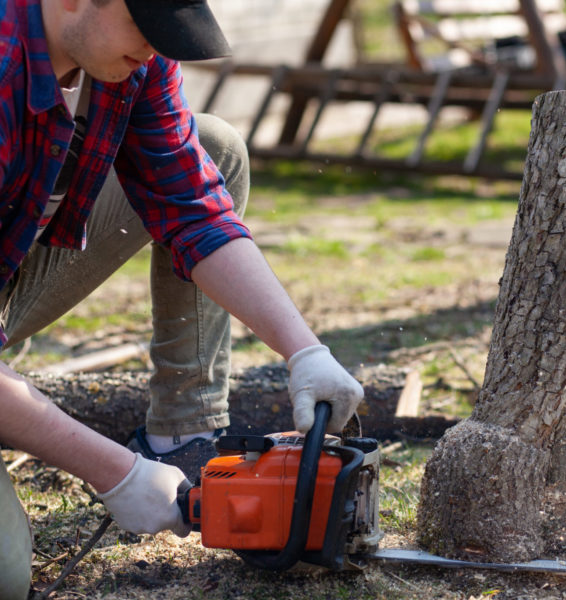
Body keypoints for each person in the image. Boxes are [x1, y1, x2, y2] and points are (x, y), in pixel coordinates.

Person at [0, 0, 364, 597]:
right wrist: (115, 473)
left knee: (210, 143)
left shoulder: (127, 60)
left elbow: (193, 210)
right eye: (147, 27)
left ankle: (181, 437)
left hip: (13, 276)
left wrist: (306, 354)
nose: (154, 49)